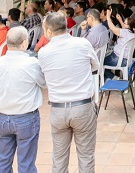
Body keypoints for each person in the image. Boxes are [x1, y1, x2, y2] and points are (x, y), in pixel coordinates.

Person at [38, 12, 99, 172]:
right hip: (83, 107)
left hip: (58, 110)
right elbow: (95, 66)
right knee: (86, 157)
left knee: (59, 159)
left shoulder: (44, 52)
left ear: (49, 31)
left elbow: (43, 78)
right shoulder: (82, 44)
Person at [0, 26, 46, 173]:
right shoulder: (31, 63)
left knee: (3, 159)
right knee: (26, 163)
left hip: (3, 117)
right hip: (25, 117)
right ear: (24, 43)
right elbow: (43, 82)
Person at [103, 9, 135, 81]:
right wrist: (120, 20)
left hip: (117, 59)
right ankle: (112, 78)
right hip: (127, 59)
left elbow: (112, 28)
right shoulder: (133, 33)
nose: (123, 24)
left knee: (100, 63)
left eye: (124, 23)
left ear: (128, 26)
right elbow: (124, 27)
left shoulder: (124, 32)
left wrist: (108, 16)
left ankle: (113, 78)